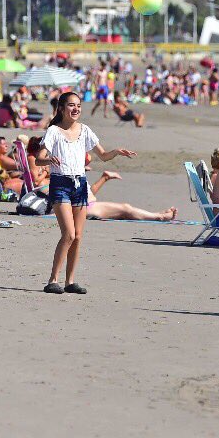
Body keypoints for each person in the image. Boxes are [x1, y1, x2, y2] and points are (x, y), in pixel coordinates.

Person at [36, 91, 135, 294]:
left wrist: (116, 151)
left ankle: (70, 282)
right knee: (69, 234)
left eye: (78, 106)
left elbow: (104, 156)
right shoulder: (54, 131)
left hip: (80, 184)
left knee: (78, 236)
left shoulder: (85, 131)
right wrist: (49, 160)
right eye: (71, 105)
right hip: (60, 183)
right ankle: (52, 280)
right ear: (62, 109)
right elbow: (39, 158)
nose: (76, 109)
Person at [87, 171, 177, 222]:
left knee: (125, 209)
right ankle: (158, 217)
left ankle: (156, 215)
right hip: (82, 208)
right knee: (125, 209)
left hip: (84, 204)